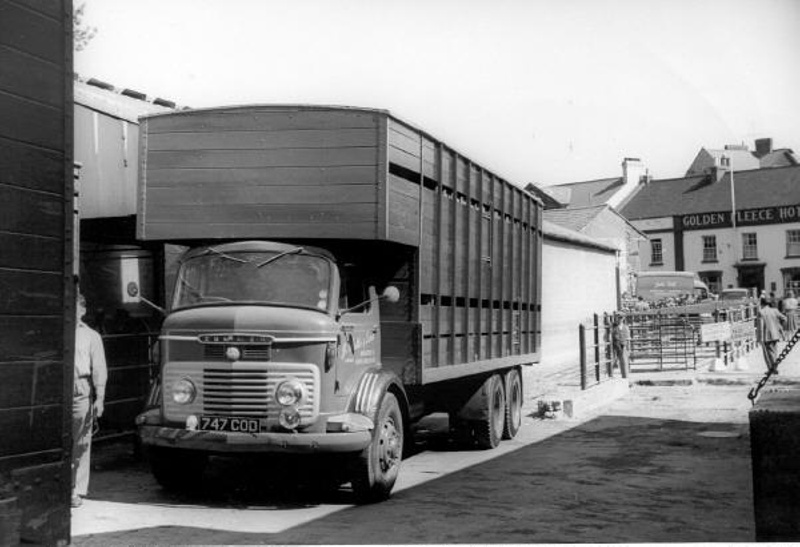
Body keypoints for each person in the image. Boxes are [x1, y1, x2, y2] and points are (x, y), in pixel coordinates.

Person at [72, 293, 108, 508]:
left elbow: (99, 368)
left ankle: (75, 489)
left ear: (83, 310)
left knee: (81, 441)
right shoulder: (56, 331)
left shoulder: (92, 336)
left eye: (75, 307)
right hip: (58, 388)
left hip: (81, 388)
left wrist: (100, 398)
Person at [759, 297, 786, 374]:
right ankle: (774, 368)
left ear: (762, 304)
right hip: (775, 334)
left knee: (767, 353)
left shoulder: (761, 312)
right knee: (774, 352)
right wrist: (779, 326)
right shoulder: (775, 310)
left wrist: (760, 338)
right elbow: (784, 318)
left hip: (766, 335)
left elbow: (761, 326)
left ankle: (771, 369)